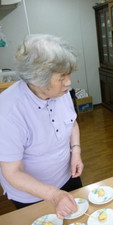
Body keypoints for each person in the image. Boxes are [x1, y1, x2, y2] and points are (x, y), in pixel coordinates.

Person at [0, 34, 84, 219]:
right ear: (38, 79)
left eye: (69, 75)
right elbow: (12, 172)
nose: (68, 82)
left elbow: (72, 122)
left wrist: (75, 151)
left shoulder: (61, 93)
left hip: (67, 176)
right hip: (33, 195)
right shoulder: (8, 112)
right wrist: (53, 195)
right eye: (62, 78)